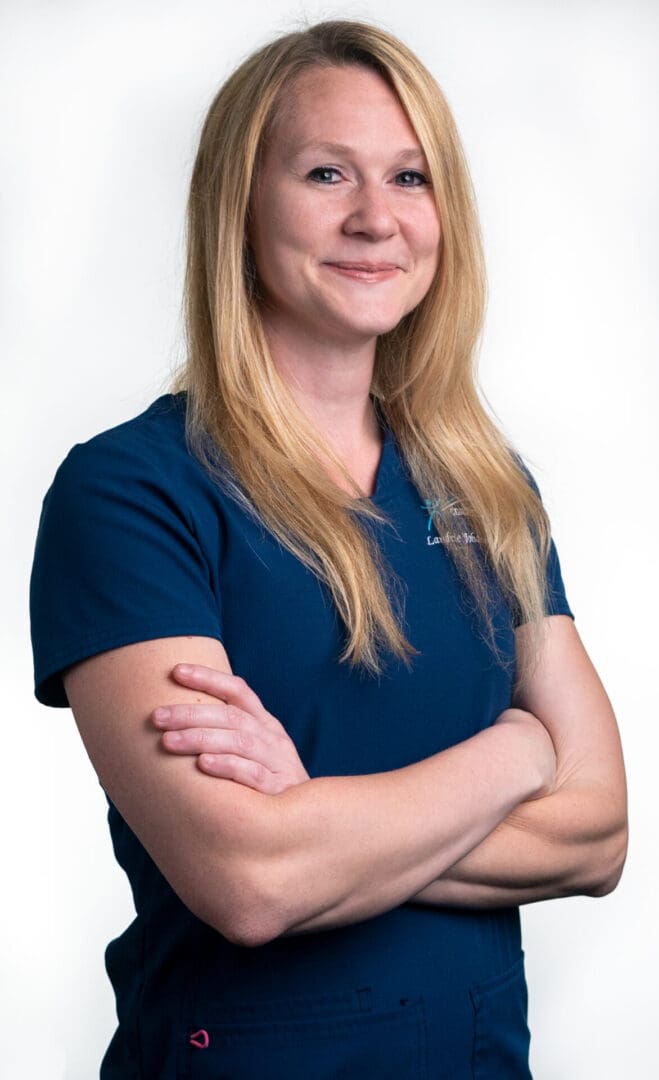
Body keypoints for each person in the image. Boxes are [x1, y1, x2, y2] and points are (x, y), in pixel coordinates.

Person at [29, 18, 628, 1079]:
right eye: (324, 173)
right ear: (240, 205)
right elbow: (250, 878)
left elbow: (596, 836)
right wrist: (519, 753)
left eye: (409, 177)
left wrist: (320, 822)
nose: (374, 218)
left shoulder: (484, 487)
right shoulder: (131, 494)